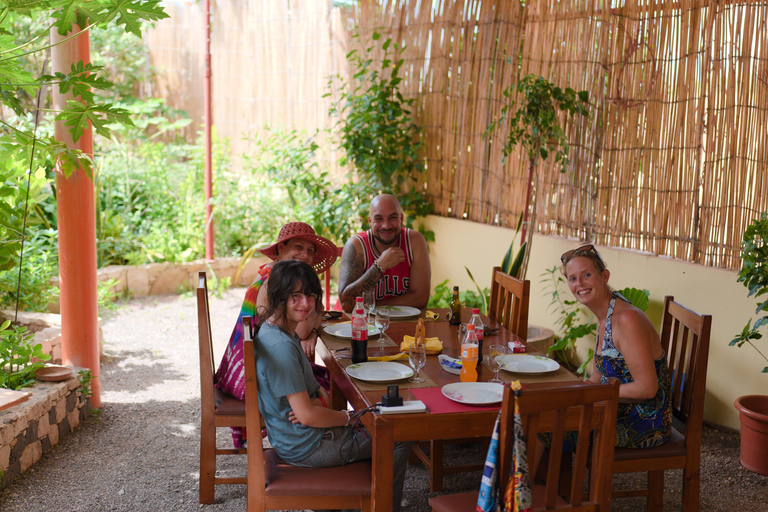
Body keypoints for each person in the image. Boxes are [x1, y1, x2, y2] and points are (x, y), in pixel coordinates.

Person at [255, 260, 413, 512]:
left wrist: (320, 402)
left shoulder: (275, 329)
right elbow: (307, 415)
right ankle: (383, 506)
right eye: (295, 296)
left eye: (310, 295)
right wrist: (345, 418)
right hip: (309, 446)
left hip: (293, 437)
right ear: (278, 296)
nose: (305, 304)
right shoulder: (282, 347)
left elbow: (317, 396)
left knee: (372, 417)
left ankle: (342, 502)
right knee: (400, 434)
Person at [214, 222, 338, 448]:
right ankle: (316, 445)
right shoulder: (276, 283)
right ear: (280, 249)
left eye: (310, 251)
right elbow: (302, 331)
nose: (306, 255)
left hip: (238, 368)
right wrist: (314, 314)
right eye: (298, 247)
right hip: (250, 378)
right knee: (334, 383)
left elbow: (306, 325)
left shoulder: (272, 273)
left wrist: (314, 328)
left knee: (324, 378)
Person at [561, 244, 671, 448]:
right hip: (612, 407)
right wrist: (572, 391)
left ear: (604, 276)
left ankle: (536, 480)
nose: (580, 284)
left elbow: (647, 388)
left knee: (546, 427)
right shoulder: (603, 313)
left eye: (587, 275)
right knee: (544, 412)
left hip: (643, 421)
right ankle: (543, 480)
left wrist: (599, 392)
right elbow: (596, 376)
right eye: (573, 278)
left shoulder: (627, 319)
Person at [337, 194, 431, 312]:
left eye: (392, 217)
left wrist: (371, 305)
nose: (386, 225)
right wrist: (379, 266)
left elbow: (420, 300)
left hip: (405, 324)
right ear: (370, 221)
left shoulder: (414, 241)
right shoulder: (356, 245)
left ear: (401, 219)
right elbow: (347, 304)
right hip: (363, 325)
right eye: (378, 219)